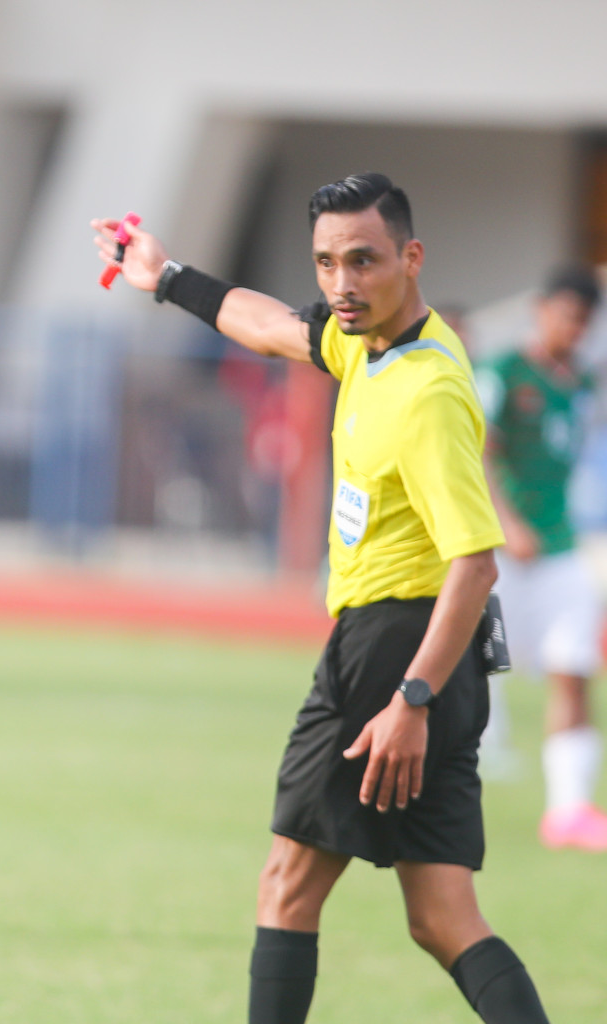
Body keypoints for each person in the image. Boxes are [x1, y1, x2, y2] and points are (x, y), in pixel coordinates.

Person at [95, 173, 550, 1024]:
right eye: (327, 262)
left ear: (411, 259)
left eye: (365, 261)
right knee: (443, 918)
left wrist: (409, 699)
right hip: (436, 665)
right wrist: (167, 278)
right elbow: (269, 326)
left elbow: (477, 563)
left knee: (287, 887)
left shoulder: (427, 392)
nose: (342, 283)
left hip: (394, 656)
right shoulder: (368, 341)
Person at [476, 266, 607, 849]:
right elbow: (474, 446)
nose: (573, 328)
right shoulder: (503, 372)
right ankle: (455, 783)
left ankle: (569, 809)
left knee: (574, 670)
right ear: (541, 309)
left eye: (584, 320)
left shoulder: (582, 383)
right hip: (504, 553)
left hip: (559, 551)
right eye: (566, 314)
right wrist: (506, 521)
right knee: (481, 666)